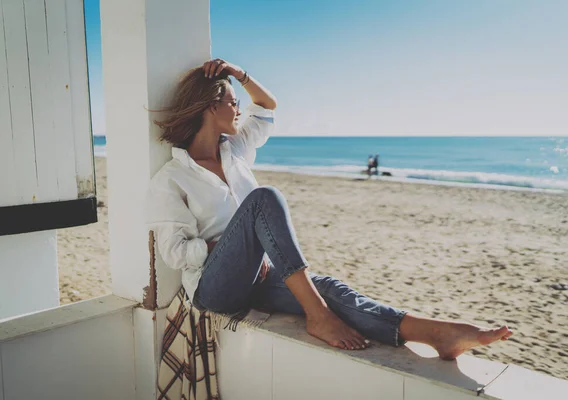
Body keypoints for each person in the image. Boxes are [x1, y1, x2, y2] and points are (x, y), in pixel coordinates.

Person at [146, 58, 512, 356]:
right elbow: (175, 252)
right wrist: (234, 249)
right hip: (215, 290)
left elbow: (267, 106)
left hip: (260, 275)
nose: (239, 107)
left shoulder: (236, 149)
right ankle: (317, 316)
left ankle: (435, 334)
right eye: (231, 100)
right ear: (211, 107)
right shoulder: (173, 177)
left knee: (332, 290)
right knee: (264, 199)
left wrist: (238, 74)